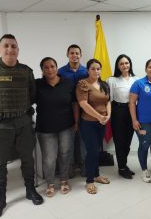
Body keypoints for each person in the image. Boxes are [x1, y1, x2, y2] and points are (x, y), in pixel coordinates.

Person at [0, 34, 43, 219]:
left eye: (13, 46)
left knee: (27, 159)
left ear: (18, 50)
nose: (10, 49)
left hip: (23, 122)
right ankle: (0, 200)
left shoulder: (26, 71)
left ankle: (30, 190)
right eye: (6, 46)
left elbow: (32, 95)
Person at [35, 57, 77, 197]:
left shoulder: (68, 83)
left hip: (66, 126)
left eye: (52, 66)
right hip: (45, 128)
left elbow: (75, 104)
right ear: (42, 70)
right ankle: (50, 183)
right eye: (46, 67)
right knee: (49, 158)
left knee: (65, 154)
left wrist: (76, 122)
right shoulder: (37, 84)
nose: (50, 69)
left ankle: (64, 180)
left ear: (57, 68)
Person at [76, 59, 111, 194]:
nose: (96, 71)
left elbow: (108, 101)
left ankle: (96, 175)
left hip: (102, 123)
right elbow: (83, 104)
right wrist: (99, 116)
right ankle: (89, 181)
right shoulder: (83, 84)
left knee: (97, 150)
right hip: (88, 123)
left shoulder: (104, 84)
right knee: (91, 151)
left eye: (98, 69)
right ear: (88, 70)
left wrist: (107, 116)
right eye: (93, 69)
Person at [129, 59, 151, 183]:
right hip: (144, 122)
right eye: (150, 67)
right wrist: (134, 120)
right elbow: (132, 103)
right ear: (146, 69)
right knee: (144, 145)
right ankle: (144, 170)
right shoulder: (138, 83)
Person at [58, 44, 88, 177]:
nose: (75, 55)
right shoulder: (60, 72)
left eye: (77, 53)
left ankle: (84, 166)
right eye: (72, 53)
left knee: (84, 139)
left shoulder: (87, 71)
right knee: (67, 140)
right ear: (67, 54)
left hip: (85, 109)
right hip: (67, 110)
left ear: (80, 55)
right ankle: (69, 167)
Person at [107, 54, 138, 179]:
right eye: (121, 64)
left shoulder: (136, 79)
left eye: (126, 63)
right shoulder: (112, 80)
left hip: (132, 111)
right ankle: (122, 167)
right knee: (119, 140)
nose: (124, 65)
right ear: (118, 66)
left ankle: (123, 164)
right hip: (118, 111)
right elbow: (109, 100)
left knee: (128, 140)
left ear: (130, 64)